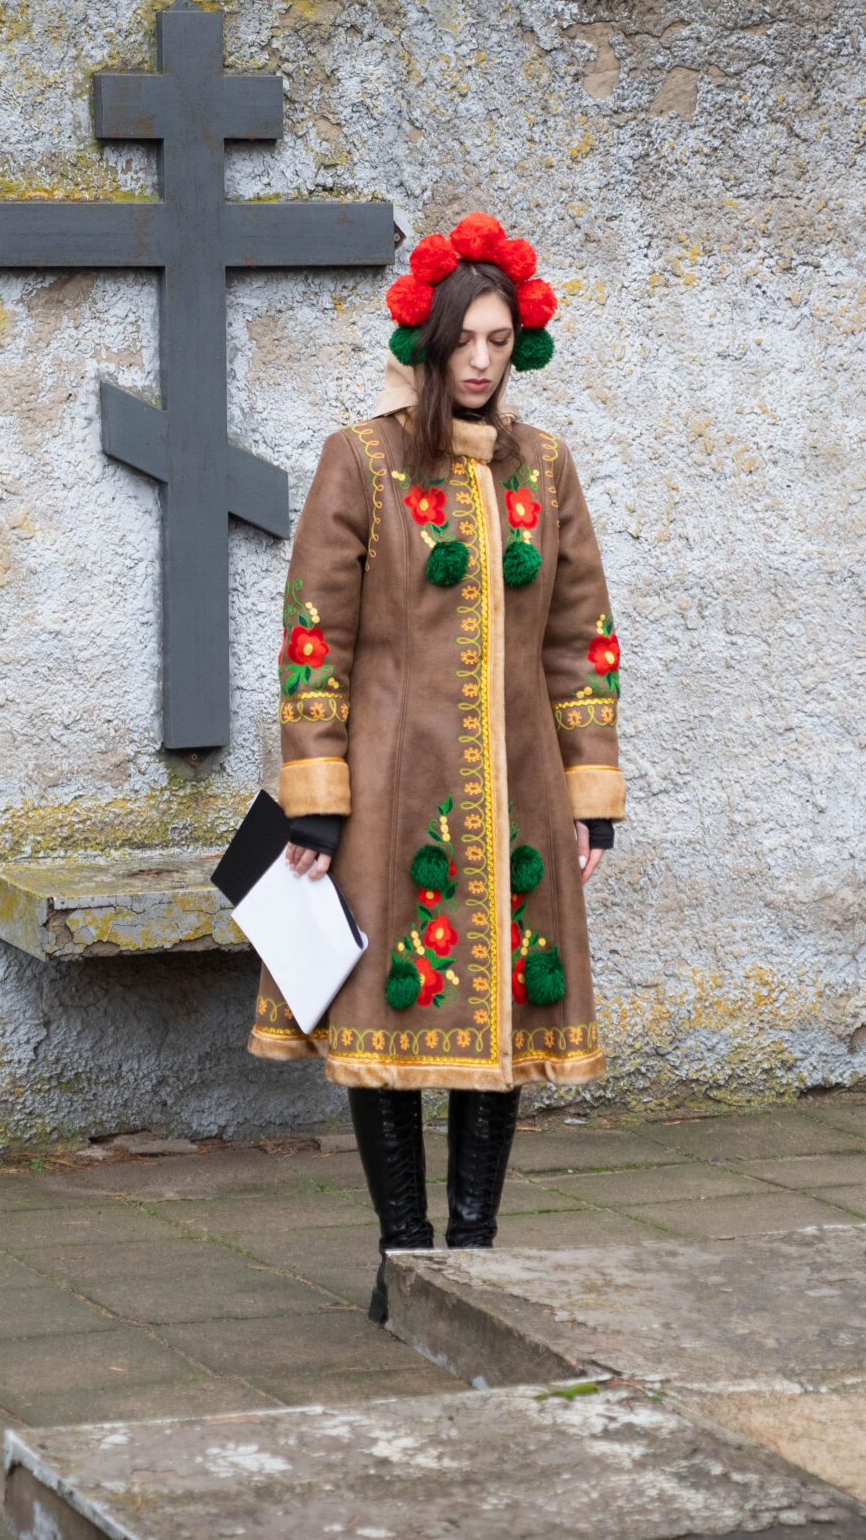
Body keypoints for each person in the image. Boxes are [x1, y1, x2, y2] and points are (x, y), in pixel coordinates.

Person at [249, 213, 624, 1321]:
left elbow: (580, 636)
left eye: (499, 342)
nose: (479, 361)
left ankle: (478, 1255)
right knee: (389, 1027)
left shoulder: (545, 467)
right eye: (464, 339)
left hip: (516, 795)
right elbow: (311, 634)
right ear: (426, 341)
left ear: (519, 348)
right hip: (385, 797)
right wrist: (315, 798)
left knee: (499, 1024)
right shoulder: (358, 460)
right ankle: (404, 1255)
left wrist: (590, 792)